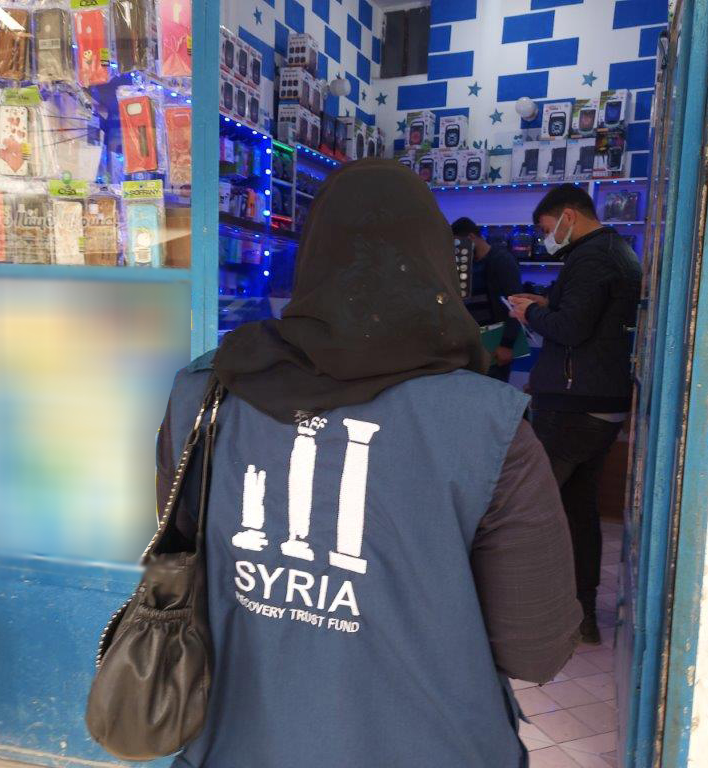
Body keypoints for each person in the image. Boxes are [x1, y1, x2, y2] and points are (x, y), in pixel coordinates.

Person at [160, 160, 581, 767]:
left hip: (233, 742)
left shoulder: (204, 394)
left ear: (312, 260)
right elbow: (535, 649)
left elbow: (181, 564)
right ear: (436, 266)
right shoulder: (488, 426)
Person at [508, 183, 643, 645]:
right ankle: (580, 613)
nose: (546, 238)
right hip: (597, 402)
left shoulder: (591, 257)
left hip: (573, 405)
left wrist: (530, 315)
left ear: (568, 215)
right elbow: (590, 317)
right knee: (578, 510)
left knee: (526, 507)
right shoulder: (617, 252)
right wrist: (547, 305)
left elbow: (571, 328)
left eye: (546, 228)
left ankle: (523, 614)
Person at [451, 217, 523, 382]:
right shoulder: (468, 263)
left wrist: (507, 344)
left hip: (496, 341)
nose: (456, 249)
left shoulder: (501, 260)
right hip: (474, 343)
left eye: (457, 243)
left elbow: (515, 302)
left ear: (470, 238)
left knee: (494, 387)